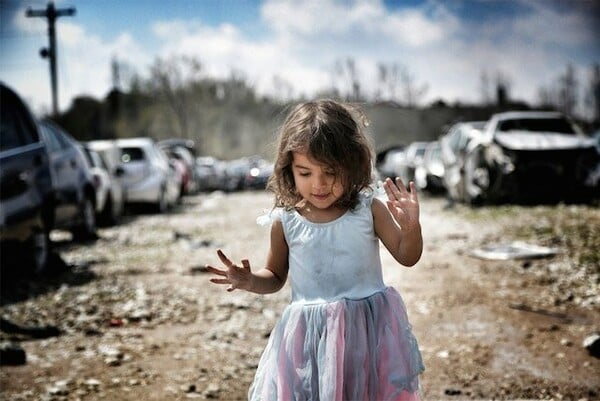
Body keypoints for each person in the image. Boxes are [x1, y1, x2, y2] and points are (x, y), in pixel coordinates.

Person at [206, 99, 425, 401]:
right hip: (310, 340)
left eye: (331, 172)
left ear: (353, 163)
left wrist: (411, 227)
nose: (319, 184)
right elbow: (274, 276)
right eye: (305, 173)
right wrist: (249, 280)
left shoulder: (368, 209)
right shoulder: (286, 221)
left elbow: (407, 255)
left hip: (366, 334)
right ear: (289, 169)